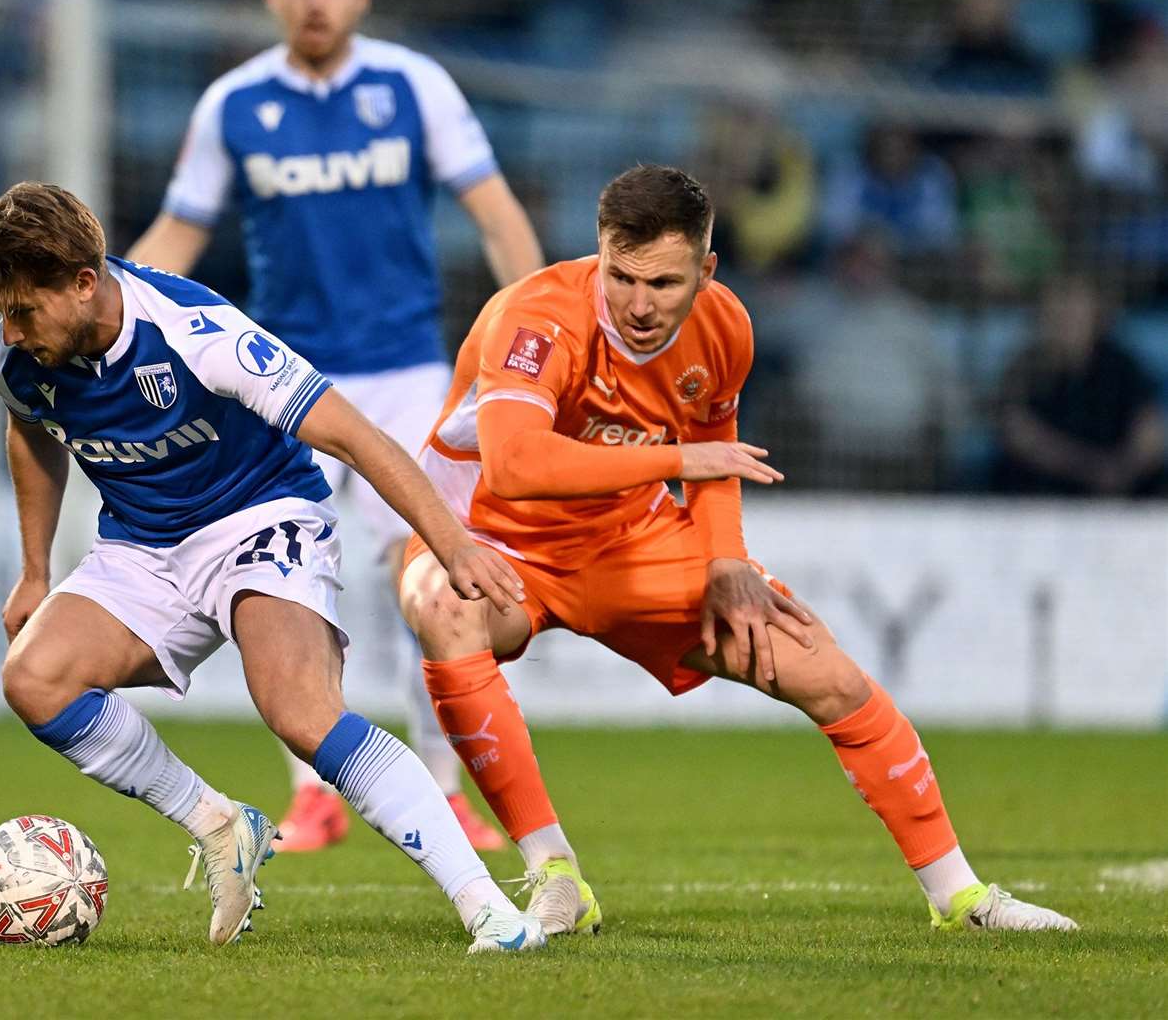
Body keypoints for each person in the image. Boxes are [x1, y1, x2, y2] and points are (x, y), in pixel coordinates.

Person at [398, 164, 1080, 937]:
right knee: (439, 607)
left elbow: (715, 448)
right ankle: (555, 874)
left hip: (631, 542)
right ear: (599, 253)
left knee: (823, 670)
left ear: (706, 270)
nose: (639, 303)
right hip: (494, 544)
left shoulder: (725, 327)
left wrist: (724, 560)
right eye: (621, 276)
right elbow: (519, 466)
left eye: (663, 282)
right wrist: (674, 463)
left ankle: (960, 897)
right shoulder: (536, 318)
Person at [0, 181, 545, 954]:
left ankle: (489, 910)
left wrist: (453, 545)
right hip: (143, 546)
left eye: (22, 311)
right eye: (1, 314)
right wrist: (35, 570)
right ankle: (219, 824)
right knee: (34, 679)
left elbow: (358, 437)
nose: (10, 333)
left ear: (84, 283)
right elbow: (34, 433)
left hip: (262, 519)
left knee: (301, 713)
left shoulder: (197, 332)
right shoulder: (10, 358)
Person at [128, 0, 543, 853]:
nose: (316, 2)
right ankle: (315, 792)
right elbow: (178, 235)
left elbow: (498, 215)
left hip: (406, 377)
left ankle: (445, 787)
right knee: (276, 581)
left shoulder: (413, 87)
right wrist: (111, 313)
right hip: (281, 383)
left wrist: (537, 351)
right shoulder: (232, 105)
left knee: (436, 580)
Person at [993, 275, 1167, 497]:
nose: (1067, 318)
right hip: (1045, 491)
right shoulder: (1026, 367)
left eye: (1075, 310)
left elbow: (1150, 431)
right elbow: (1019, 436)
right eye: (1058, 311)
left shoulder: (1123, 365)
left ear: (1095, 314)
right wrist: (1090, 470)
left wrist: (1123, 470)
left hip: (1121, 489)